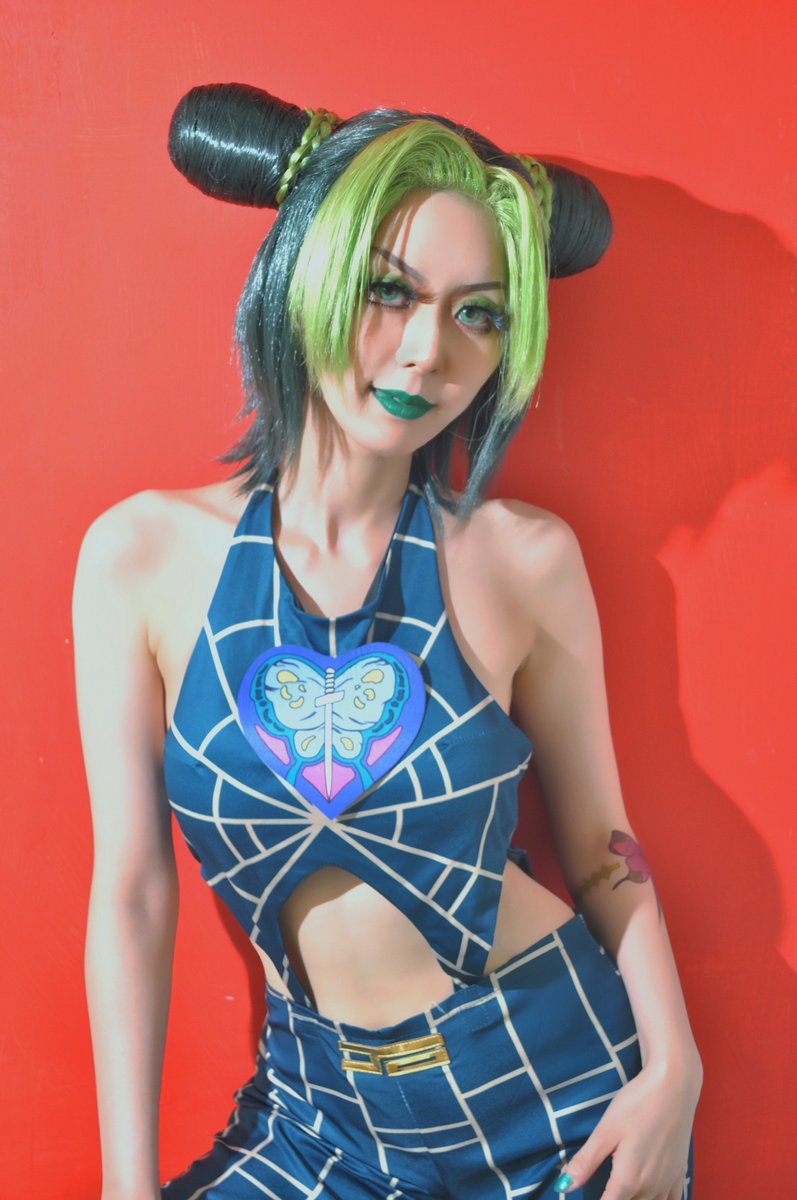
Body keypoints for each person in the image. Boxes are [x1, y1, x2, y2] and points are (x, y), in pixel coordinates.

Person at [74, 83, 702, 1200]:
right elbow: (132, 892)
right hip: (319, 1113)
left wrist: (673, 1069)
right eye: (387, 291)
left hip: (553, 1098)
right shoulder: (141, 559)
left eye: (477, 314)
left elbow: (599, 842)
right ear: (302, 276)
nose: (426, 353)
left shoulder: (521, 560)